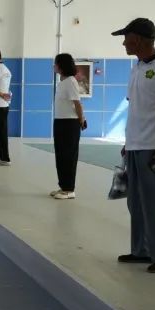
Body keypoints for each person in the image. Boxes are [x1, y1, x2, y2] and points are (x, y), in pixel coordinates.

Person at [113, 18, 155, 273]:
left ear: (137, 39)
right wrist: (127, 142)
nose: (123, 44)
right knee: (136, 201)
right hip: (135, 145)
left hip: (154, 146)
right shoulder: (136, 68)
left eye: (126, 38)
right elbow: (136, 109)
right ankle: (143, 250)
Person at [51, 53, 87, 200]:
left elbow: (77, 103)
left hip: (70, 123)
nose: (54, 66)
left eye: (56, 63)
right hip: (60, 121)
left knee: (69, 156)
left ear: (61, 65)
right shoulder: (63, 82)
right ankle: (63, 186)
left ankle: (69, 189)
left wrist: (81, 120)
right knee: (60, 155)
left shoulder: (71, 81)